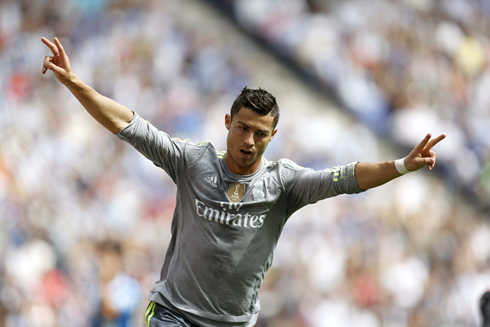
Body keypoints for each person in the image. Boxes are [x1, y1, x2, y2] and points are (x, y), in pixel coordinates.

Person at [41, 37, 446, 327]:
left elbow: (345, 178)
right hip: (174, 315)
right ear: (227, 124)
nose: (248, 140)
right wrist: (74, 83)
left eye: (260, 133)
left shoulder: (285, 183)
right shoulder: (192, 161)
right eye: (242, 128)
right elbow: (129, 124)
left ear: (273, 137)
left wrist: (402, 164)